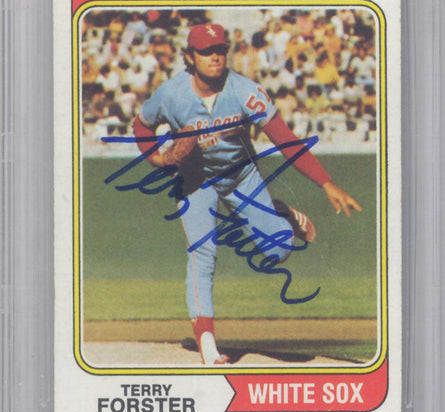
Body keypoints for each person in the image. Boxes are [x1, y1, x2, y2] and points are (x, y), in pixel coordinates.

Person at [133, 24, 361, 365]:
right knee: (202, 253)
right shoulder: (171, 94)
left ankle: (282, 215)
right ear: (190, 57)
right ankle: (207, 343)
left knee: (279, 250)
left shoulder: (245, 91)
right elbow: (141, 125)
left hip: (241, 176)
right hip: (196, 181)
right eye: (206, 51)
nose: (215, 57)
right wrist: (157, 158)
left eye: (220, 50)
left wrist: (325, 183)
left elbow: (285, 139)